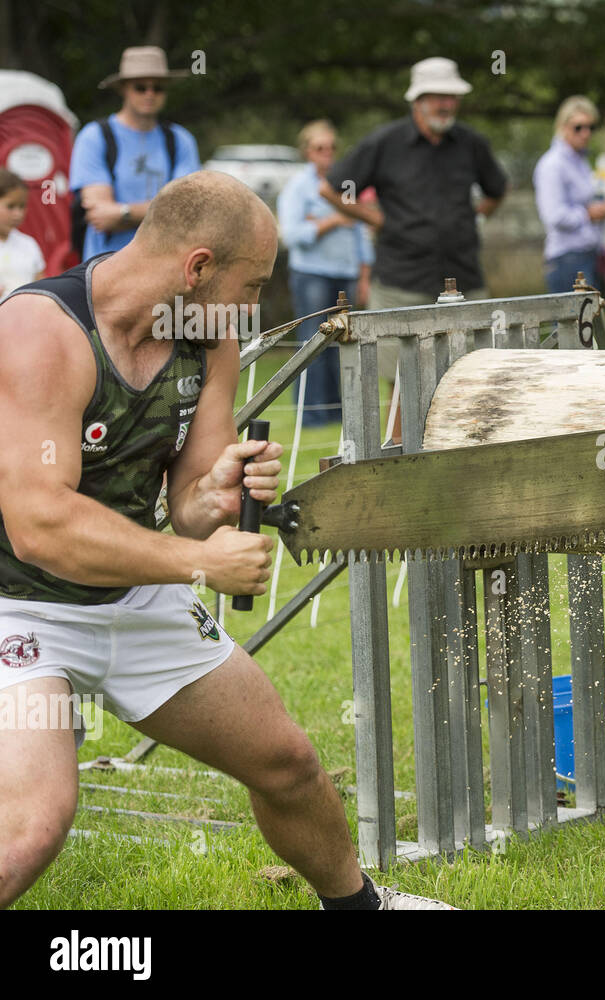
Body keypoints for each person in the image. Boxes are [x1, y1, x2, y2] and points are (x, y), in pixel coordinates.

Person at [0, 171, 449, 909]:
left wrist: (217, 494)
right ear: (198, 268)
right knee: (32, 827)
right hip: (20, 609)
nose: (257, 307)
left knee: (287, 762)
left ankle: (367, 908)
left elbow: (188, 503)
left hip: (132, 589)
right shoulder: (41, 332)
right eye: (252, 286)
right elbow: (40, 527)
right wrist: (199, 561)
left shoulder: (208, 338)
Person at [322, 57, 507, 440]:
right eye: (437, 96)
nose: (445, 104)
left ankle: (464, 453)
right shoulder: (385, 142)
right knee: (400, 379)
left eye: (451, 97)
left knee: (474, 373)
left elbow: (496, 190)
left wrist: (471, 218)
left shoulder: (471, 143)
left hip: (463, 278)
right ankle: (400, 456)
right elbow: (333, 187)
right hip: (401, 279)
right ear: (417, 100)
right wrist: (378, 219)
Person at [277, 120, 374, 427]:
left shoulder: (346, 184)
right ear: (307, 151)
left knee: (343, 342)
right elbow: (291, 234)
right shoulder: (297, 187)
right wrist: (332, 221)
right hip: (312, 275)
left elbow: (359, 232)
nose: (327, 154)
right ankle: (312, 416)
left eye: (332, 147)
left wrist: (364, 275)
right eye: (320, 148)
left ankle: (339, 413)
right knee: (312, 342)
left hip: (346, 274)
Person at [69, 46, 200, 261]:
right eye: (140, 87)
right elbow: (100, 216)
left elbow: (187, 210)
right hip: (106, 269)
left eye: (158, 88)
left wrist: (123, 213)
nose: (150, 94)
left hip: (166, 268)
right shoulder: (95, 137)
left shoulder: (180, 140)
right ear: (123, 89)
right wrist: (162, 211)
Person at [535, 96, 605, 295]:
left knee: (590, 325)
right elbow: (554, 216)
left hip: (590, 254)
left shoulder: (580, 160)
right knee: (570, 325)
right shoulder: (552, 165)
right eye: (578, 127)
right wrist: (589, 214)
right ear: (563, 127)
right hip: (567, 258)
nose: (586, 133)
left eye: (590, 127)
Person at [0, 170, 45, 297]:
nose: (18, 214)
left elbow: (42, 288)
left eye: (22, 206)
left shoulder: (28, 244)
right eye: (10, 206)